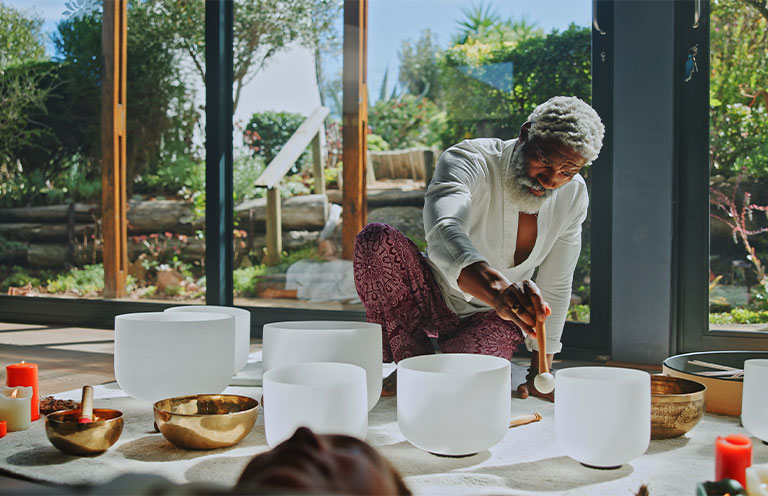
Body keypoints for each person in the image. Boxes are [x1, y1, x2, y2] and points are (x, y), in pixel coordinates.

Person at [353, 96, 604, 400]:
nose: (551, 180)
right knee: (374, 239)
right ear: (525, 134)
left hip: (495, 316)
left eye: (568, 171)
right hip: (433, 293)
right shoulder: (468, 159)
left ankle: (440, 367)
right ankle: (412, 365)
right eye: (546, 161)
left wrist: (541, 370)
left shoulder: (574, 196)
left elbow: (557, 282)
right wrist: (498, 291)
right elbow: (445, 228)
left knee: (462, 387)